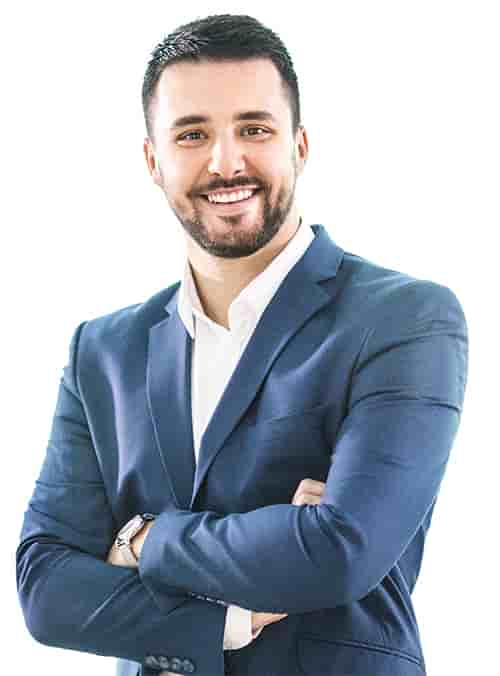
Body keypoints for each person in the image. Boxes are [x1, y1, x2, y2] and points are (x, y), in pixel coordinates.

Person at [16, 13, 469, 676]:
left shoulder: (404, 319)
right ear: (152, 160)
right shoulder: (103, 352)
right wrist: (227, 613)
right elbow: (46, 590)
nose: (226, 162)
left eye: (254, 129)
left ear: (300, 146)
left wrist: (144, 540)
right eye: (192, 134)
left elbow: (342, 551)